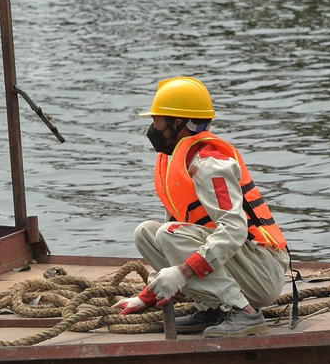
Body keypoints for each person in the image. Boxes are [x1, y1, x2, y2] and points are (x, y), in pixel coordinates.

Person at [113, 77, 290, 338]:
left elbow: (234, 230)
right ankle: (211, 307)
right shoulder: (177, 160)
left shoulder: (210, 165)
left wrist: (183, 273)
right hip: (238, 263)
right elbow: (179, 233)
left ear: (178, 123)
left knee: (169, 233)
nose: (152, 128)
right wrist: (145, 297)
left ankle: (243, 311)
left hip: (263, 271)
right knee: (148, 233)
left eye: (157, 121)